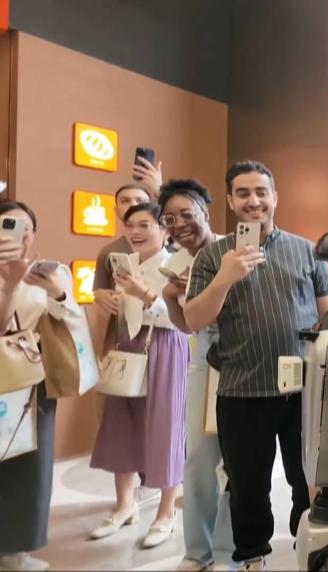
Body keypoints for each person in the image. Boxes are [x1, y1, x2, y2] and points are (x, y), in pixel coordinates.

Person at [185, 161, 328, 571]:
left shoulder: (307, 250)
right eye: (243, 193)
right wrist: (225, 277)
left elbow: (325, 315)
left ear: (274, 197)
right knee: (247, 487)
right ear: (230, 200)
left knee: (308, 481)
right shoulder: (213, 256)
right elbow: (194, 319)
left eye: (261, 192)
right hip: (241, 391)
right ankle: (252, 558)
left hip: (302, 392)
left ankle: (309, 549)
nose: (254, 201)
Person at [89, 202, 190, 549]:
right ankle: (124, 504)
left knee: (166, 426)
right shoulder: (123, 263)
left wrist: (143, 294)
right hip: (128, 344)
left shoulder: (178, 264)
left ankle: (166, 511)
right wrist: (108, 299)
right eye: (130, 224)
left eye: (145, 224)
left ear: (164, 229)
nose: (135, 231)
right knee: (121, 422)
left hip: (165, 344)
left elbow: (183, 319)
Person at [158, 180, 236, 571]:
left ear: (205, 212)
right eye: (170, 219)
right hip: (205, 362)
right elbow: (186, 325)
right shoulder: (173, 263)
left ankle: (228, 551)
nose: (179, 224)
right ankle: (197, 551)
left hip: (242, 361)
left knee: (238, 462)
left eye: (187, 214)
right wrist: (170, 297)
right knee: (199, 460)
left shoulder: (232, 251)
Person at [0, 201, 82, 572]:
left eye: (25, 228)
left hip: (32, 376)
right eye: (7, 225)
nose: (18, 235)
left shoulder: (52, 270)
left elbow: (71, 319)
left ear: (33, 234)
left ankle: (16, 550)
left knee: (31, 465)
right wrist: (8, 285)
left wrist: (58, 294)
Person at [92, 159, 163, 332]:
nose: (133, 205)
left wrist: (161, 191)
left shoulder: (171, 244)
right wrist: (99, 295)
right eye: (125, 201)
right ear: (116, 210)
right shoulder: (108, 252)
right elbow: (99, 291)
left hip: (162, 332)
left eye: (140, 200)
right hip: (122, 332)